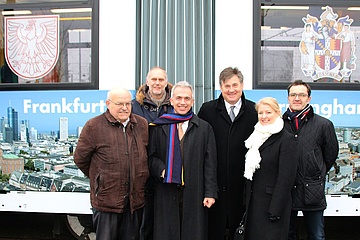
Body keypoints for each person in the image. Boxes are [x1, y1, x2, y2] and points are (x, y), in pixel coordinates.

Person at [74, 87, 149, 240]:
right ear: (108, 103)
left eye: (128, 104)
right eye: (119, 103)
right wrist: (100, 179)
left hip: (134, 203)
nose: (124, 108)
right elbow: (80, 159)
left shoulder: (141, 125)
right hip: (106, 202)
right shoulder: (94, 126)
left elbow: (145, 154)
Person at [148, 81, 218, 240]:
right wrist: (161, 170)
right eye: (178, 98)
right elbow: (150, 157)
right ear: (171, 101)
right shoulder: (159, 126)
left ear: (193, 101)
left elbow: (210, 164)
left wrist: (210, 193)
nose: (182, 102)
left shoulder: (204, 128)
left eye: (187, 98)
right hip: (166, 191)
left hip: (195, 192)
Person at [198, 67, 258, 240]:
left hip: (243, 187)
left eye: (235, 85)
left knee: (241, 232)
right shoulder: (207, 110)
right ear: (221, 87)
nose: (231, 90)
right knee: (213, 231)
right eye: (227, 86)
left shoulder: (254, 111)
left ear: (242, 85)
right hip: (214, 185)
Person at [283, 80, 339, 240]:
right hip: (287, 190)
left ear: (309, 98)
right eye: (293, 95)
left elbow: (330, 155)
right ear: (288, 98)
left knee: (316, 235)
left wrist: (316, 170)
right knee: (286, 235)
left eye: (302, 95)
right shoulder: (279, 124)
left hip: (311, 189)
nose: (297, 98)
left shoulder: (324, 125)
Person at [243, 97, 298, 240]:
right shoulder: (255, 137)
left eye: (268, 112)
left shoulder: (287, 139)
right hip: (254, 204)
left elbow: (286, 178)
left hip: (273, 207)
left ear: (277, 113)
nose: (264, 116)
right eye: (260, 113)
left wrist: (275, 209)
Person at [132, 66, 173, 240]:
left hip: (168, 171)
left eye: (161, 79)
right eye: (153, 79)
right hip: (142, 171)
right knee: (144, 223)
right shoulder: (135, 106)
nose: (157, 83)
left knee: (167, 221)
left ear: (166, 82)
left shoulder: (176, 104)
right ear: (147, 82)